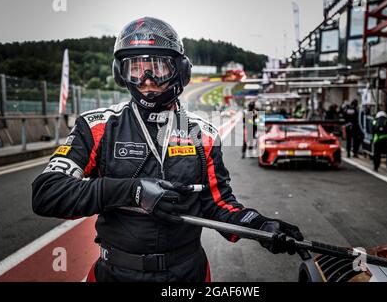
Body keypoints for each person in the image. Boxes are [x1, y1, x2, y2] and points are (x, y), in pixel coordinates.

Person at [31, 17, 304, 282]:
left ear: (180, 70)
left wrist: (258, 225)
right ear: (120, 73)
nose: (146, 79)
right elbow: (46, 193)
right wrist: (131, 190)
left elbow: (220, 204)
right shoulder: (96, 127)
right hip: (115, 272)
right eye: (135, 68)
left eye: (157, 67)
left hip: (187, 273)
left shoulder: (203, 135)